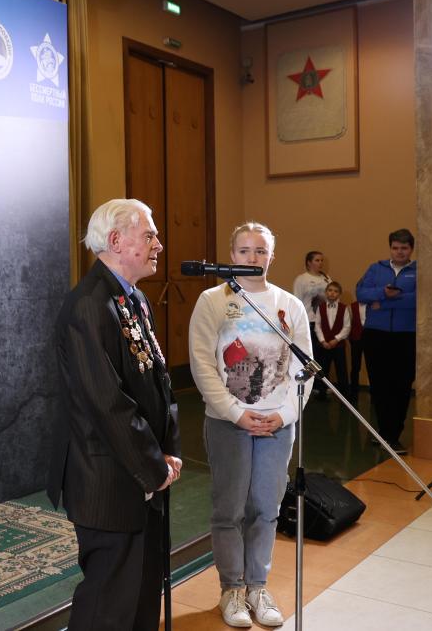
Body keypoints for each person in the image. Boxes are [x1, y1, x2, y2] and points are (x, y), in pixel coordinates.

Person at [47, 198, 182, 630]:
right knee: (108, 606)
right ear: (117, 240)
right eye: (150, 236)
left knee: (141, 595)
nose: (159, 244)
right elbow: (108, 404)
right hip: (108, 479)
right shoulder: (90, 305)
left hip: (143, 472)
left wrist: (167, 453)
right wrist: (154, 465)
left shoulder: (133, 297)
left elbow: (159, 381)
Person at [189, 222, 310, 628]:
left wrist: (284, 415)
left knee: (265, 508)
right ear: (231, 255)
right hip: (229, 422)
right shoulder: (212, 301)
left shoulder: (289, 305)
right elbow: (202, 365)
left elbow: (303, 369)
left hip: (276, 424)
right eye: (244, 251)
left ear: (272, 256)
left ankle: (258, 586)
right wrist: (236, 413)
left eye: (260, 251)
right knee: (230, 509)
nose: (252, 258)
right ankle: (232, 590)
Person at [356, 229, 417, 454]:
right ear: (390, 248)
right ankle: (383, 433)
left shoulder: (419, 271)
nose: (399, 252)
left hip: (406, 336)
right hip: (376, 334)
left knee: (401, 386)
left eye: (404, 248)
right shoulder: (376, 268)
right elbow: (361, 293)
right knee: (379, 386)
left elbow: (419, 299)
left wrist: (384, 302)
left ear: (411, 249)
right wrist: (382, 293)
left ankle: (394, 436)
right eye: (395, 248)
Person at [293, 252, 331, 397]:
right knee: (310, 355)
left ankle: (321, 386)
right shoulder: (301, 279)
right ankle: (306, 385)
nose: (320, 263)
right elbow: (297, 301)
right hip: (308, 321)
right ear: (309, 262)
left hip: (323, 322)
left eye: (321, 260)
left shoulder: (326, 278)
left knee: (323, 356)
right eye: (317, 260)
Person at [314, 281, 350, 396]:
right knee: (323, 369)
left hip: (338, 345)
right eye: (330, 290)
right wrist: (322, 341)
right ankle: (322, 392)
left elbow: (347, 327)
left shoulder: (344, 308)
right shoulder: (321, 307)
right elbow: (317, 326)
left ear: (339, 294)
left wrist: (336, 339)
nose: (332, 293)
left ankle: (344, 394)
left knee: (341, 370)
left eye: (335, 291)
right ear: (326, 292)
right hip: (324, 345)